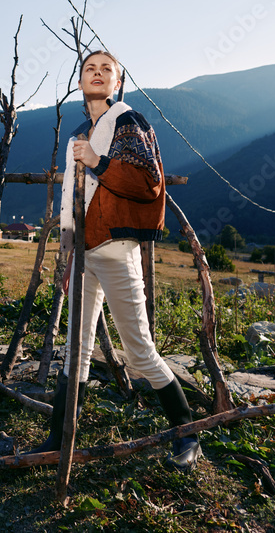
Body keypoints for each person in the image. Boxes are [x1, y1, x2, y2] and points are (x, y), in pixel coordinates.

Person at [35, 50, 202, 472]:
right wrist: (68, 244)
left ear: (118, 81)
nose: (97, 74)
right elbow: (77, 200)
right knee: (76, 351)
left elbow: (148, 181)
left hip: (114, 250)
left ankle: (188, 435)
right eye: (90, 69)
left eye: (105, 69)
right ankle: (58, 438)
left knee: (139, 351)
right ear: (79, 82)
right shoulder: (81, 131)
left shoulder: (129, 122)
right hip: (83, 253)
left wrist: (97, 161)